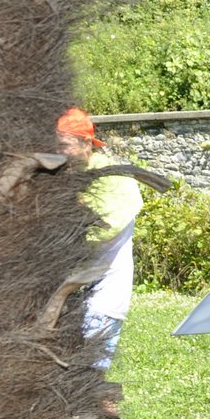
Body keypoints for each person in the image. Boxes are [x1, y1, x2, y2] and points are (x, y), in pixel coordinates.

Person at [57, 107, 142, 370]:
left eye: (64, 145)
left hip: (102, 299)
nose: (58, 153)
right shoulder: (72, 175)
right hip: (75, 296)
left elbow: (105, 228)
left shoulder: (113, 177)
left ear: (85, 142)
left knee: (89, 376)